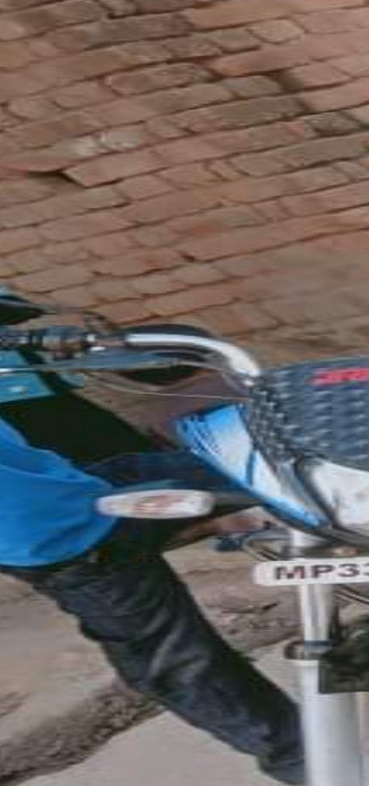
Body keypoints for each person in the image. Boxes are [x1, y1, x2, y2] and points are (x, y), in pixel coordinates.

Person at [0, 294, 304, 784]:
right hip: (66, 536)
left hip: (79, 487)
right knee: (177, 664)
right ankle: (313, 763)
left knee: (288, 462)